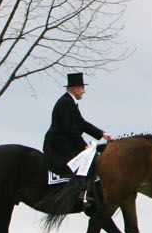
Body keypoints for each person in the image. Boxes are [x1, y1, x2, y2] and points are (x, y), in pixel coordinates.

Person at [43, 72, 112, 212]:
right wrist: (84, 146)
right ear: (74, 89)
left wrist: (102, 134)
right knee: (88, 160)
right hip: (59, 145)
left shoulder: (70, 102)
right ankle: (82, 193)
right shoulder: (65, 103)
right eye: (81, 88)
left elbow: (81, 123)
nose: (84, 91)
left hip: (66, 141)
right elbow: (71, 130)